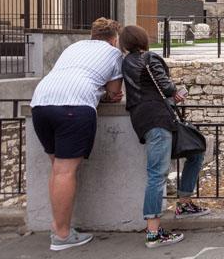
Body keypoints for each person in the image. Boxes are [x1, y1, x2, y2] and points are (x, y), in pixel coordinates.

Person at [29, 18, 124, 251]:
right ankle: (61, 235)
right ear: (114, 38)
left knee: (57, 168)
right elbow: (114, 93)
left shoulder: (72, 47)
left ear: (93, 35)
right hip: (74, 105)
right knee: (65, 170)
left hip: (40, 102)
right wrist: (105, 94)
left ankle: (58, 226)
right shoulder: (113, 54)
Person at [120, 25, 209, 249]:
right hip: (158, 119)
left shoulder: (126, 62)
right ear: (142, 39)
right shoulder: (148, 57)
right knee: (157, 174)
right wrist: (175, 91)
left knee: (196, 151)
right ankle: (153, 232)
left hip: (144, 117)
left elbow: (146, 89)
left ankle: (184, 202)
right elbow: (165, 85)